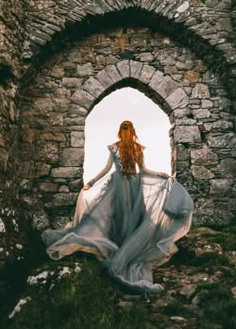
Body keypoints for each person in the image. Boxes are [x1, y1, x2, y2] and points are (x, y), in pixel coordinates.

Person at [41, 120, 194, 293]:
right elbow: (144, 170)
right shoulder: (137, 148)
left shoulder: (114, 148)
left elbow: (106, 169)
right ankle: (128, 251)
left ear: (120, 132)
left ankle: (118, 248)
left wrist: (90, 183)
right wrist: (162, 174)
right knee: (134, 220)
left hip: (118, 187)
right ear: (133, 131)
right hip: (134, 187)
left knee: (113, 217)